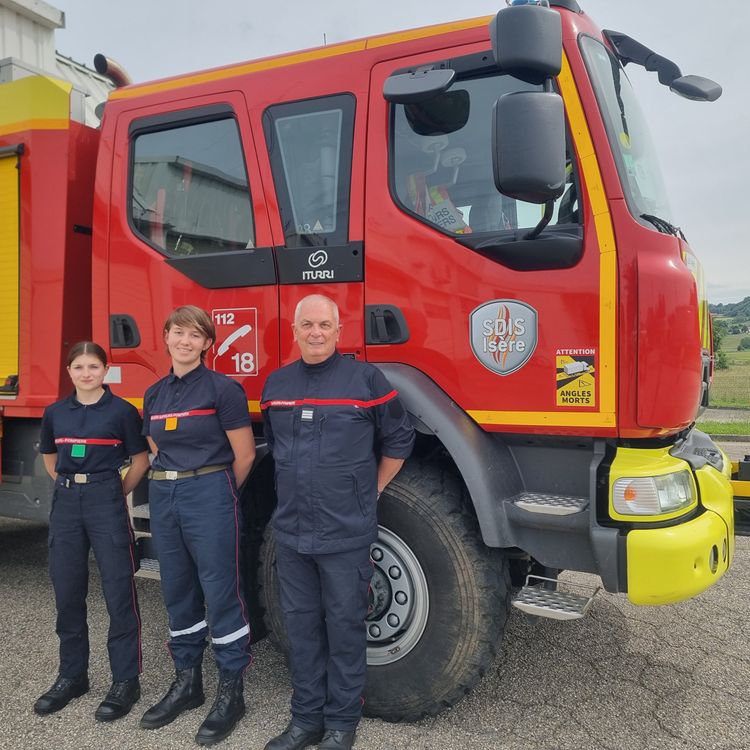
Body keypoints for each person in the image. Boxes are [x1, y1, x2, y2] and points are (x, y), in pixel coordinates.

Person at [261, 294, 414, 750]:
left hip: (346, 531)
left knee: (345, 627)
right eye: (307, 325)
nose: (316, 333)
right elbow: (275, 446)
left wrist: (372, 490)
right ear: (294, 330)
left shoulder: (366, 380)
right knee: (301, 628)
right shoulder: (276, 385)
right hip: (291, 532)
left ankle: (341, 724)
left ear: (339, 330)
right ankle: (305, 720)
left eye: (324, 325)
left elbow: (399, 439)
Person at [140, 305, 255, 746]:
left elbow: (243, 454)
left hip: (209, 491)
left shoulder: (223, 389)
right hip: (165, 493)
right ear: (165, 337)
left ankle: (231, 690)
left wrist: (217, 491)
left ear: (208, 343)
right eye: (178, 333)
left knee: (220, 589)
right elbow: (156, 444)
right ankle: (188, 682)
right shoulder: (154, 393)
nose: (185, 342)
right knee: (177, 588)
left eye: (195, 335)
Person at [34, 342, 150, 721]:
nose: (87, 373)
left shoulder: (122, 412)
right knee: (67, 593)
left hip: (106, 500)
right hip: (67, 502)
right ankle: (72, 676)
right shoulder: (55, 412)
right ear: (69, 371)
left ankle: (125, 681)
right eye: (79, 366)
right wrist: (74, 485)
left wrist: (113, 492)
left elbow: (139, 460)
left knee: (118, 593)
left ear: (105, 370)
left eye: (94, 366)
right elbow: (51, 459)